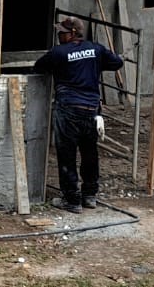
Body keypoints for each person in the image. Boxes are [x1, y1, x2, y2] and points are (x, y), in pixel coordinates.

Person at [34, 16, 123, 213]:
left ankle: (72, 200)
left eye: (62, 32)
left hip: (68, 109)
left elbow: (39, 67)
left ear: (72, 33)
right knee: (89, 152)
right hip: (91, 110)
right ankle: (89, 196)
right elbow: (117, 63)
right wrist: (96, 63)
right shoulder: (96, 49)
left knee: (66, 154)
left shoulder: (59, 53)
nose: (59, 35)